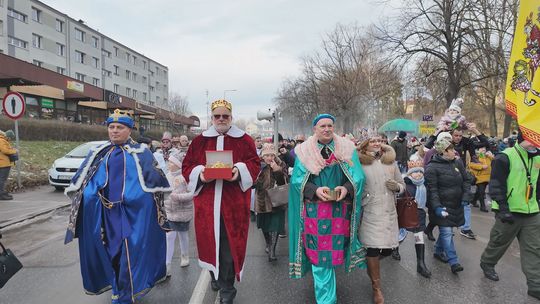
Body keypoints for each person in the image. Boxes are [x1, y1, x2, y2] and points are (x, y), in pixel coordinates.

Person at [64, 109, 171, 304]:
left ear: (129, 130)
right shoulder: (99, 153)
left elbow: (156, 187)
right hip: (104, 216)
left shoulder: (142, 153)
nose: (114, 131)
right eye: (111, 127)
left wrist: (135, 201)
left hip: (131, 216)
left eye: (119, 127)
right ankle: (117, 289)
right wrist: (90, 198)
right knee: (109, 254)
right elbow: (81, 184)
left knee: (128, 254)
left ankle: (125, 295)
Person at [182, 99, 259, 304]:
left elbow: (254, 164)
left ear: (231, 117)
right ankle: (215, 276)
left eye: (225, 116)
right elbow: (187, 166)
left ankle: (227, 290)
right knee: (210, 244)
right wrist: (201, 174)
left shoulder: (244, 140)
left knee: (228, 249)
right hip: (207, 206)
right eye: (217, 116)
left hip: (232, 205)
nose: (221, 119)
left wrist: (238, 171)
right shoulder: (199, 141)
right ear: (212, 117)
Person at [288, 114, 366, 304]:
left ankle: (326, 294)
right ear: (315, 129)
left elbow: (358, 177)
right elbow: (297, 182)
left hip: (340, 211)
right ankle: (326, 301)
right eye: (322, 126)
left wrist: (345, 188)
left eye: (330, 125)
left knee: (332, 257)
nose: (326, 129)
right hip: (315, 212)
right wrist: (315, 190)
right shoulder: (304, 151)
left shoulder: (347, 149)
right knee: (321, 260)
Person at [479, 131, 540, 300]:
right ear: (522, 139)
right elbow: (496, 184)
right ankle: (487, 263)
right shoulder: (505, 157)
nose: (534, 142)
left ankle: (535, 285)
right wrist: (503, 209)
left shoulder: (538, 157)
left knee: (534, 248)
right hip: (509, 210)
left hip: (532, 211)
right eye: (531, 139)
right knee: (499, 242)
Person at [358, 135, 404, 303]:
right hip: (370, 211)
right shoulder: (359, 162)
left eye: (379, 140)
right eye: (372, 141)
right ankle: (376, 289)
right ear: (365, 145)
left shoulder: (390, 161)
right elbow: (354, 184)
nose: (377, 143)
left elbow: (402, 184)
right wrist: (364, 197)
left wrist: (397, 187)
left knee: (387, 250)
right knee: (373, 249)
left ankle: (371, 266)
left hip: (389, 211)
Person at [425, 136, 472, 274]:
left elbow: (467, 180)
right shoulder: (431, 168)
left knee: (448, 230)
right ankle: (454, 261)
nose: (454, 152)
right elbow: (432, 191)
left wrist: (465, 196)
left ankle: (438, 251)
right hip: (442, 206)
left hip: (456, 204)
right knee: (447, 232)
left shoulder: (457, 163)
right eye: (451, 150)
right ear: (443, 152)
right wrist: (437, 207)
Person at [255, 143, 287, 261]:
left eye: (271, 155)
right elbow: (254, 185)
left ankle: (272, 251)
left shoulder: (281, 164)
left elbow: (284, 181)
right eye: (267, 155)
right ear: (263, 156)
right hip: (262, 200)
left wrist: (277, 171)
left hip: (277, 199)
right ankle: (268, 243)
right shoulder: (259, 165)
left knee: (275, 224)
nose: (269, 158)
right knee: (264, 224)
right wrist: (257, 177)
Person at [400, 160, 431, 278]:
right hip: (406, 214)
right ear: (409, 173)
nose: (418, 174)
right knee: (400, 235)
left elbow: (429, 199)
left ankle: (421, 264)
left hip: (419, 214)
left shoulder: (424, 185)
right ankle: (395, 249)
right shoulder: (405, 184)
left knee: (419, 237)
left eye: (420, 172)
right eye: (415, 172)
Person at [164, 151, 194, 276]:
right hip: (169, 211)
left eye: (172, 162)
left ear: (178, 164)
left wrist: (179, 197)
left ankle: (185, 255)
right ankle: (167, 264)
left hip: (182, 212)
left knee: (182, 235)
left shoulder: (186, 177)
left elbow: (193, 193)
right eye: (169, 161)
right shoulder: (167, 175)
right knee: (169, 236)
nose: (169, 164)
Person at [468, 144, 494, 212]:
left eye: (484, 148)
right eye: (481, 148)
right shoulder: (476, 156)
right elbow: (470, 165)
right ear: (478, 150)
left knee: (479, 192)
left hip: (487, 177)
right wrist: (481, 167)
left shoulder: (488, 156)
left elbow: (495, 162)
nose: (483, 149)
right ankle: (483, 207)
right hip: (479, 177)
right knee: (482, 192)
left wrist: (491, 156)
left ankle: (473, 200)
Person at [0, 130, 17, 200]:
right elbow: (5, 150)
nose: (10, 139)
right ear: (8, 136)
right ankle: (2, 194)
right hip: (3, 163)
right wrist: (14, 151)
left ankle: (2, 193)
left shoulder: (3, 140)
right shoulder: (2, 140)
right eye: (10, 138)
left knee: (2, 179)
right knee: (2, 180)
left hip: (4, 163)